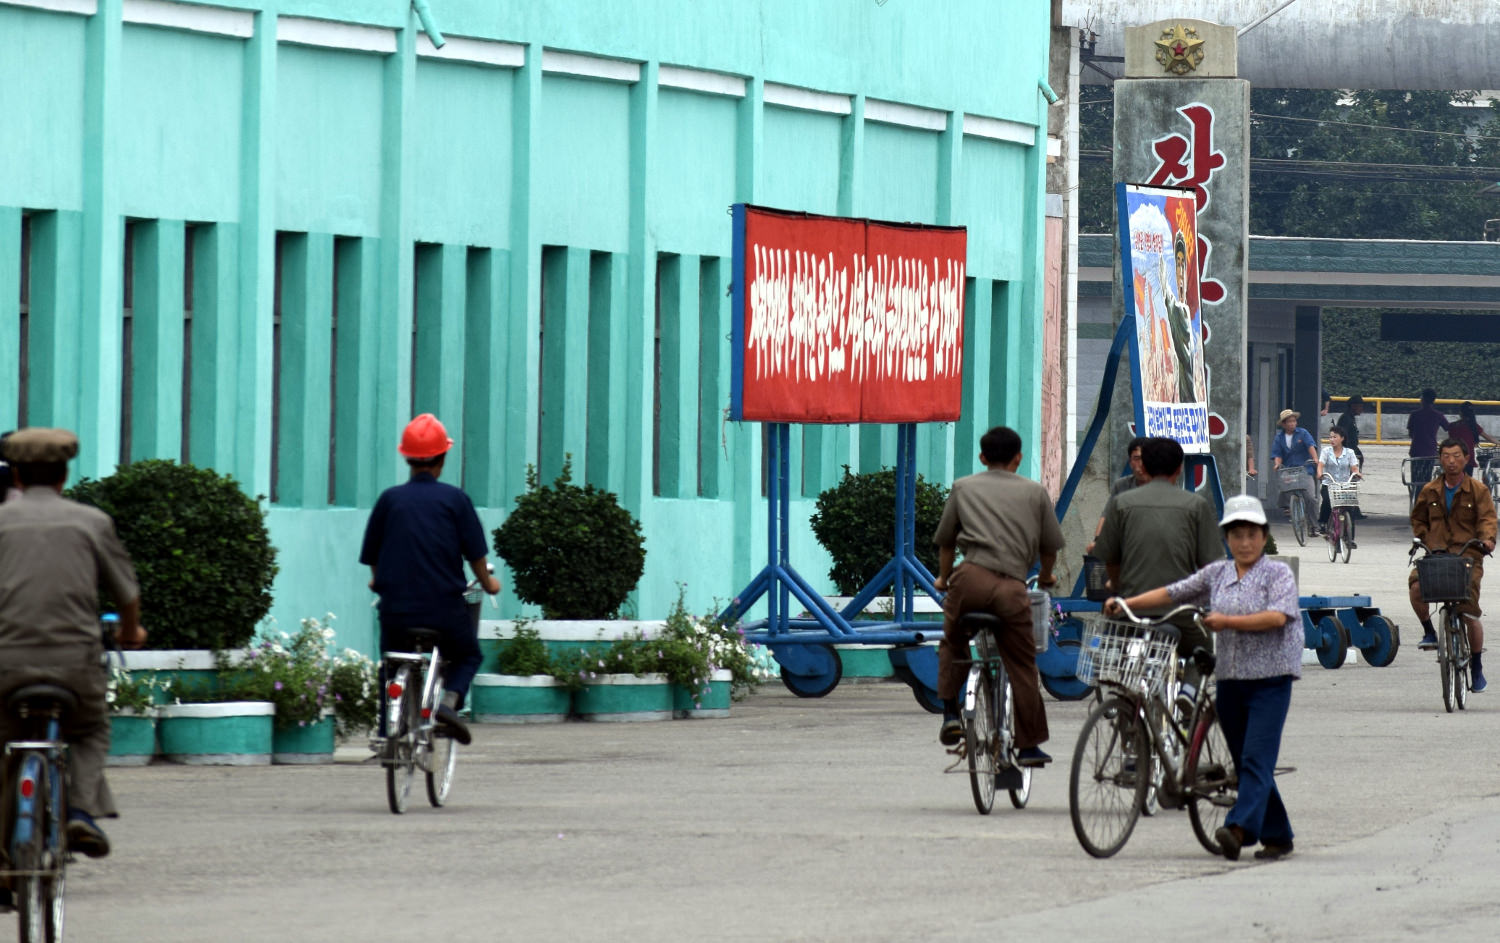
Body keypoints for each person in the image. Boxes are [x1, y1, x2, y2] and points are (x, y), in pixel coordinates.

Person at [1105, 494, 1300, 862]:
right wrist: (1128, 602)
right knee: (1246, 759)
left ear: (1264, 536)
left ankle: (1238, 829)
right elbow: (1174, 591)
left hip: (1271, 679)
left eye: (1252, 535)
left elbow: (1277, 617)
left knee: (1256, 760)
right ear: (1227, 538)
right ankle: (1278, 834)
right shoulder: (1218, 574)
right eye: (1237, 535)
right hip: (1230, 678)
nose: (1244, 543)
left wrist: (1227, 623)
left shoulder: (1278, 575)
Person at [0, 428, 146, 886]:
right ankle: (80, 809)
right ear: (64, 476)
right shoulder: (92, 522)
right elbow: (127, 593)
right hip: (75, 663)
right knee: (89, 729)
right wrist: (130, 631)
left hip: (6, 662)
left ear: (17, 476)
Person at [360, 414, 502, 747]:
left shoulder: (389, 500)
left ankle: (387, 734)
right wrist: (490, 584)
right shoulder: (455, 500)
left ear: (406, 457)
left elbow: (372, 557)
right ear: (443, 458)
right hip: (444, 610)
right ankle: (448, 703)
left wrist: (377, 581)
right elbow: (476, 556)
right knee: (467, 655)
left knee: (391, 664)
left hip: (396, 611)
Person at [932, 426, 1064, 767]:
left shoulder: (963, 487)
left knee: (953, 640)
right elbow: (1050, 547)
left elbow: (947, 541)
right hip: (1011, 587)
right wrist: (1047, 575)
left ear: (982, 458)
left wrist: (943, 579)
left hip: (970, 579)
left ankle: (949, 711)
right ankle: (1030, 746)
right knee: (1021, 662)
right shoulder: (1035, 493)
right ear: (1018, 458)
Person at [1091, 437, 1224, 696]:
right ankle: (1187, 693)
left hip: (1131, 611)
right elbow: (1211, 566)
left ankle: (1124, 702)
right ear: (1179, 469)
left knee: (1116, 642)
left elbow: (1109, 558)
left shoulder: (1121, 503)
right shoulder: (1196, 506)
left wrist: (1117, 587)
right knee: (1204, 649)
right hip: (1180, 612)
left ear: (1144, 467)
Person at [1410, 438, 1497, 692]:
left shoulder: (1478, 490)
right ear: (1440, 459)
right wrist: (1423, 538)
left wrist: (1488, 540)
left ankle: (1477, 667)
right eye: (1446, 456)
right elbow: (1418, 519)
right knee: (1416, 587)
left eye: (1456, 455)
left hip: (1468, 555)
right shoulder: (1429, 490)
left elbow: (1488, 519)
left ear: (1466, 458)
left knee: (1469, 612)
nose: (1451, 461)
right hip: (1436, 554)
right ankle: (1429, 631)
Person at [1085, 436, 1148, 554]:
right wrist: (1097, 541)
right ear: (1130, 462)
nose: (1141, 463)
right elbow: (1107, 516)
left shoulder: (1162, 487)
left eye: (1146, 458)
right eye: (1137, 458)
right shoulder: (1122, 485)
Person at [1269, 408, 1320, 536]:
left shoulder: (1303, 433)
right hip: (1289, 470)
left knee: (1311, 498)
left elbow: (1310, 446)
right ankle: (1287, 506)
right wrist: (1277, 464)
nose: (1292, 424)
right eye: (1289, 422)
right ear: (1284, 424)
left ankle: (1314, 526)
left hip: (1304, 469)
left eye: (1294, 421)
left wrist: (1315, 459)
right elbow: (1277, 454)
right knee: (1283, 487)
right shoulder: (1279, 437)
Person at [1316, 426, 1361, 545]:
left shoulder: (1350, 452)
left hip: (1345, 486)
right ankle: (1323, 523)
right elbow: (1320, 464)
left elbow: (1354, 467)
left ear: (1342, 438)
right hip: (1329, 484)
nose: (1332, 439)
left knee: (1350, 509)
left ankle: (1350, 538)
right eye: (1330, 437)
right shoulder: (1326, 451)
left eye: (1335, 437)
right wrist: (1320, 474)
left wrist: (1357, 473)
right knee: (1326, 500)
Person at [1407, 388, 1450, 488]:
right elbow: (1448, 428)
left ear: (1422, 399)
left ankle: (1415, 498)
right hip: (1430, 451)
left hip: (1416, 451)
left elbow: (1410, 434)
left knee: (1415, 480)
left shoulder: (1414, 414)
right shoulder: (1438, 415)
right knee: (1426, 479)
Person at [1449, 402, 1498, 475]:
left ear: (1461, 413)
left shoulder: (1452, 426)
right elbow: (1489, 438)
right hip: (1468, 459)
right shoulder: (1473, 426)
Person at [1334, 395, 1366, 471]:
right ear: (1353, 406)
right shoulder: (1346, 419)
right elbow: (1341, 437)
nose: (1361, 409)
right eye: (1360, 406)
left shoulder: (1350, 418)